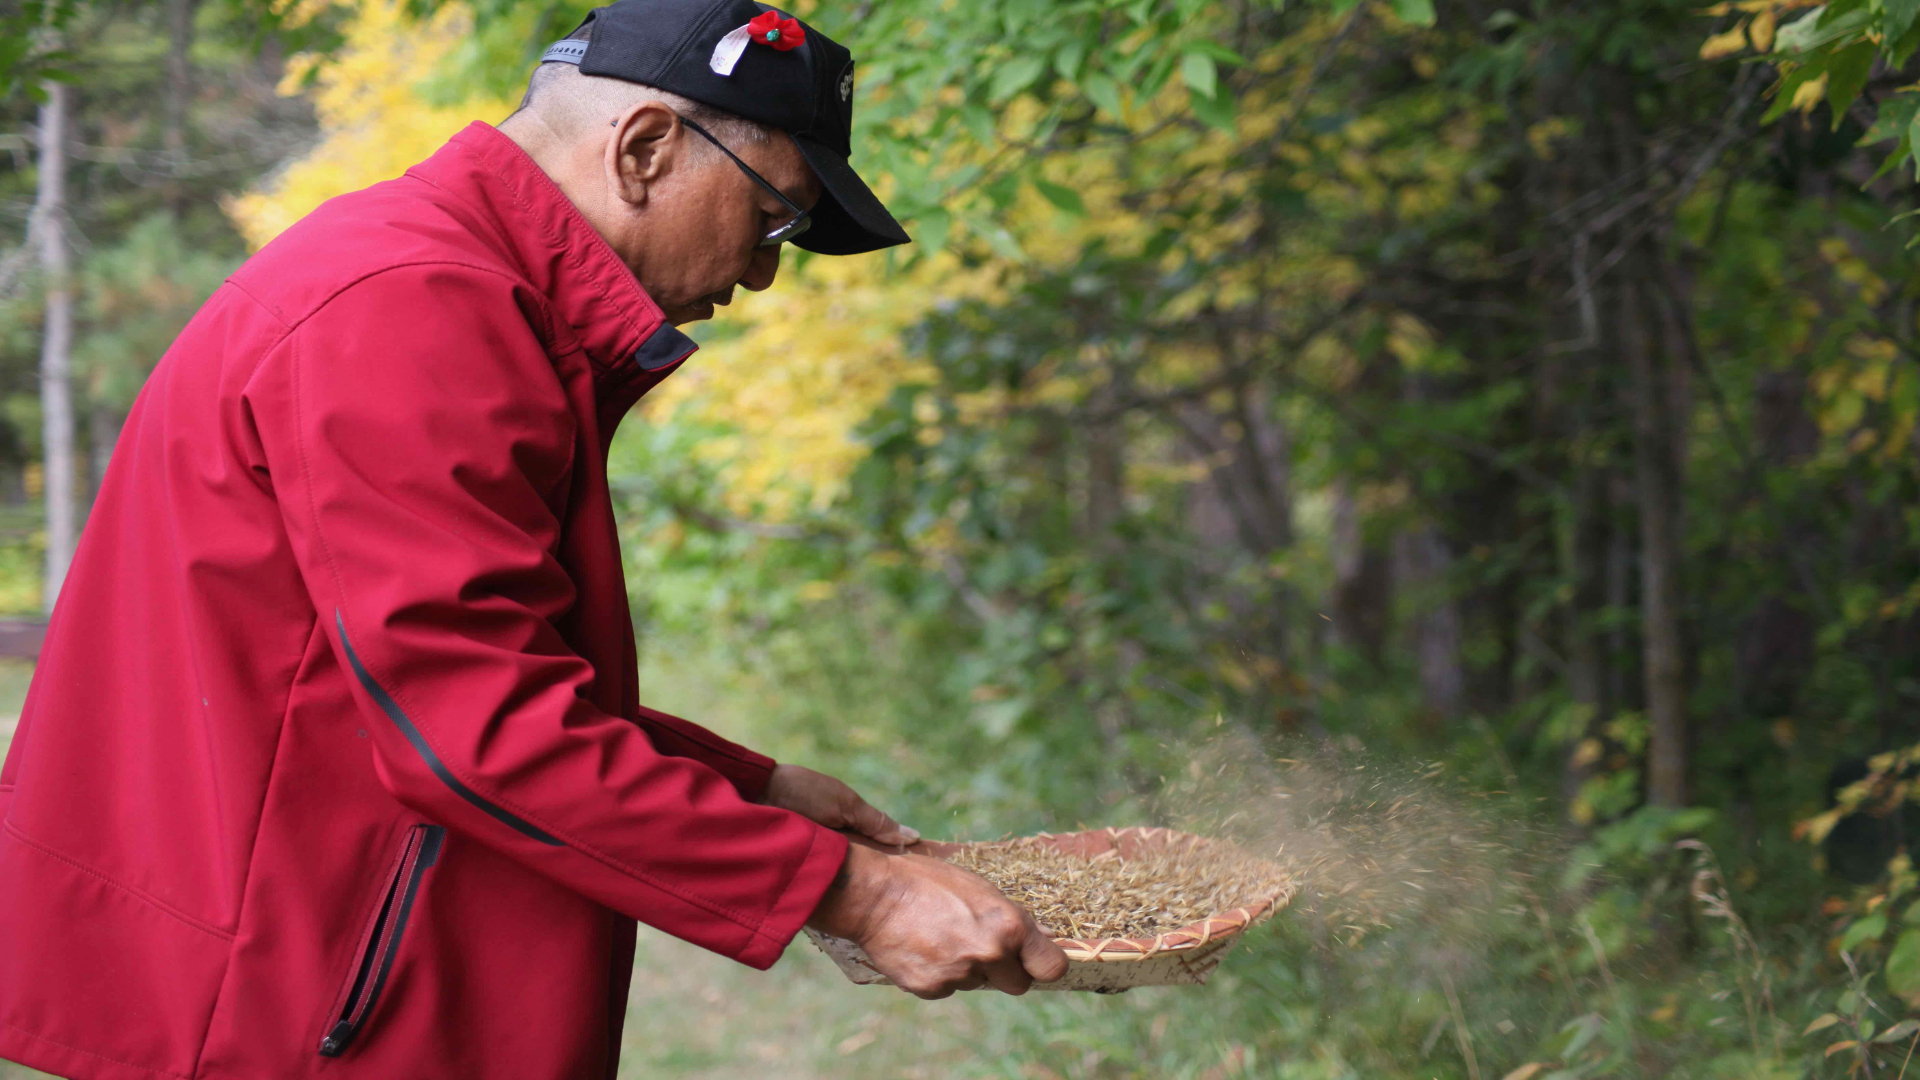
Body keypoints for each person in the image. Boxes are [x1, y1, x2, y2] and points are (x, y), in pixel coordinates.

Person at [0, 2, 1066, 1077]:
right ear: (645, 149)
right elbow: (471, 726)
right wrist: (855, 893)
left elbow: (384, 677)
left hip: (312, 969)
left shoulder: (437, 276)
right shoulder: (414, 304)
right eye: (774, 220)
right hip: (297, 1005)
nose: (761, 275)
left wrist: (748, 788)